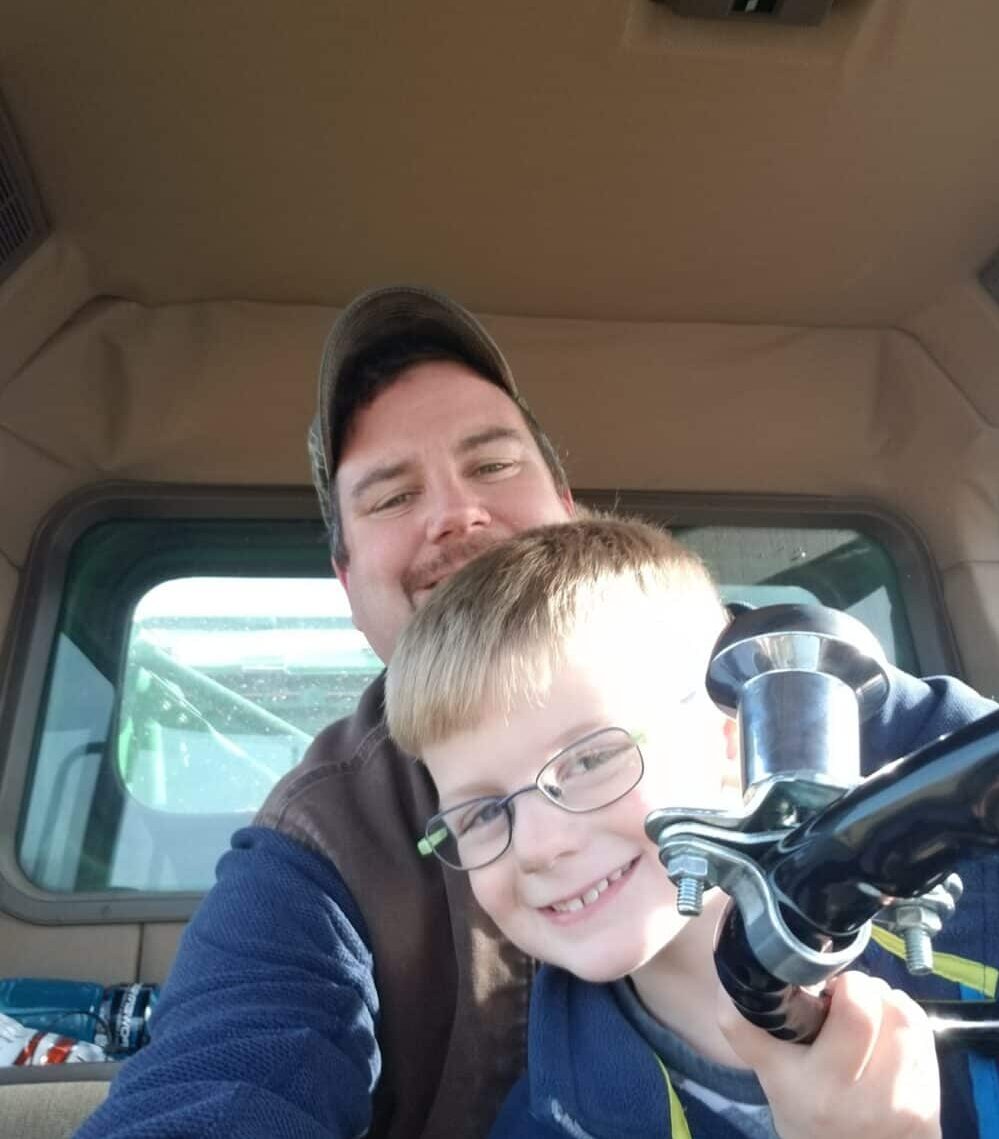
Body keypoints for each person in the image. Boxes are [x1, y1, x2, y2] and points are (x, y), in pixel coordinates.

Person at [76, 287, 996, 1139]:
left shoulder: (832, 699)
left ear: (564, 502)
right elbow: (213, 1083)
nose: (456, 513)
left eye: (492, 462)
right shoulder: (321, 838)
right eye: (393, 495)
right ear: (347, 585)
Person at [385, 515, 997, 1139]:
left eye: (592, 759)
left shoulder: (982, 925)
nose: (540, 846)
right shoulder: (544, 1124)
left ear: (736, 742)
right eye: (484, 813)